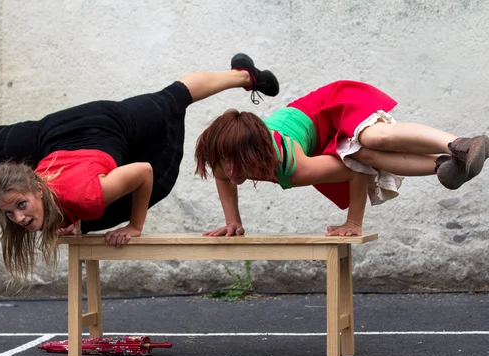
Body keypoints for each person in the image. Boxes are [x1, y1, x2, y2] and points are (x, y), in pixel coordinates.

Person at [0, 53, 280, 278]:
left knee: (174, 98)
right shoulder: (33, 188)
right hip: (51, 133)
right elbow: (42, 198)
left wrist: (135, 225)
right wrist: (73, 222)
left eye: (20, 207)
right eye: (12, 212)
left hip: (109, 123)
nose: (18, 218)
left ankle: (243, 76)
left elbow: (143, 171)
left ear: (38, 187)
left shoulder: (85, 194)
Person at [194, 78, 489, 237]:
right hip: (319, 137)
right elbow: (223, 178)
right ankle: (446, 166)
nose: (230, 171)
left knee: (372, 139)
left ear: (256, 154)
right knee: (364, 152)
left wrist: (353, 222)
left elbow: (354, 172)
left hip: (329, 106)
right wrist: (232, 220)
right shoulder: (224, 157)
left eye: (237, 163)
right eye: (224, 163)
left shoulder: (295, 168)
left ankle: (458, 145)